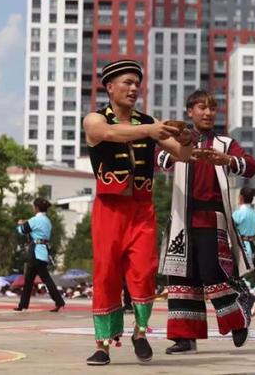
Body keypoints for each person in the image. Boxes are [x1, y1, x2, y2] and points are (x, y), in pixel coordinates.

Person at [83, 59, 194, 366]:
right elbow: (108, 134)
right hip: (109, 210)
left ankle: (140, 332)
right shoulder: (95, 119)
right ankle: (102, 346)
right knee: (106, 273)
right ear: (109, 87)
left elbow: (182, 154)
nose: (133, 89)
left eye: (137, 84)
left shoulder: (149, 122)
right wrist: (150, 129)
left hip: (142, 208)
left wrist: (188, 140)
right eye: (127, 83)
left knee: (144, 271)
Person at [157, 90, 255, 355]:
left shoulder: (225, 143)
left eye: (212, 108)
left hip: (211, 219)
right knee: (181, 276)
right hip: (182, 218)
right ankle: (184, 337)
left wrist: (227, 160)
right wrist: (182, 144)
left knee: (212, 274)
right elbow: (162, 159)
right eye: (202, 107)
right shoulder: (178, 141)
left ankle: (239, 315)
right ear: (190, 111)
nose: (208, 113)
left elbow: (251, 166)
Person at [13, 197, 66, 312]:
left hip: (35, 251)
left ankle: (58, 301)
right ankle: (23, 304)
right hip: (43, 251)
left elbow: (21, 231)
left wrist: (20, 224)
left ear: (36, 208)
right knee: (32, 279)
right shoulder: (47, 221)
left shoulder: (34, 220)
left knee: (35, 279)